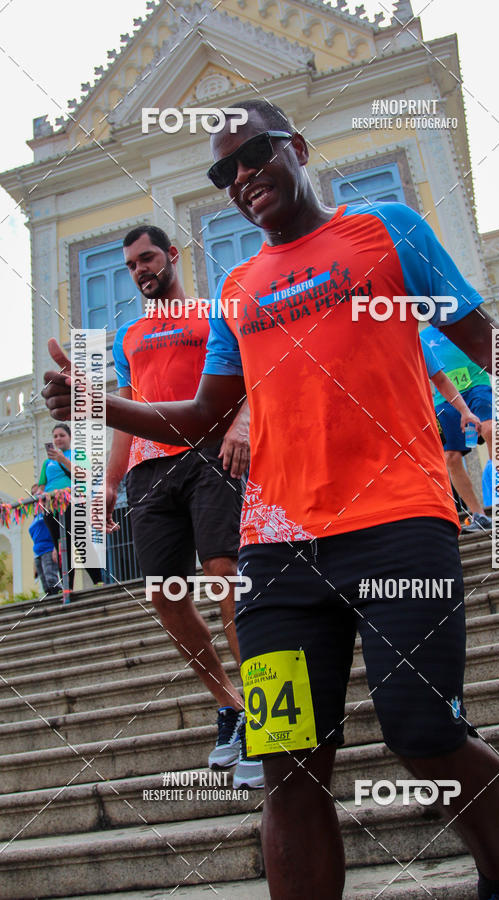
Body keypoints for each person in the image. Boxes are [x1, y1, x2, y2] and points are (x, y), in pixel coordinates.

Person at [43, 100, 499, 900]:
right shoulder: (237, 289)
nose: (241, 177)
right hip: (276, 552)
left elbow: (480, 341)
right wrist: (97, 404)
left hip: (402, 523)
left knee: (423, 731)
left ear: (296, 147)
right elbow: (199, 418)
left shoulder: (388, 230)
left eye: (254, 154)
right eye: (224, 171)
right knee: (289, 765)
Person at [106, 224, 262, 789]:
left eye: (148, 258)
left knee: (224, 573)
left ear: (172, 256)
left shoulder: (213, 311)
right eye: (131, 265)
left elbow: (248, 377)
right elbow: (124, 409)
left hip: (208, 451)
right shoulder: (128, 335)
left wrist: (242, 423)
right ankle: (230, 704)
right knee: (164, 596)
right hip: (150, 471)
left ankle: (264, 717)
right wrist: (107, 484)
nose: (141, 270)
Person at [420, 326, 496, 533]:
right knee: (451, 457)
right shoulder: (421, 336)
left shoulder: (461, 322)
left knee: (490, 430)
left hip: (476, 385)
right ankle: (478, 513)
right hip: (443, 399)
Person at [37, 423, 104, 591]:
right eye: (55, 436)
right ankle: (68, 587)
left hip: (74, 503)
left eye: (62, 435)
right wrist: (41, 495)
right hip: (52, 507)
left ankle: (99, 581)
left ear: (70, 437)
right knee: (61, 546)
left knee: (81, 542)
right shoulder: (47, 463)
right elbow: (41, 486)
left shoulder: (78, 454)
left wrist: (63, 460)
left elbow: (85, 475)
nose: (58, 439)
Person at [29, 484, 60, 595]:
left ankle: (59, 598)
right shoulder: (35, 515)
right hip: (38, 553)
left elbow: (55, 531)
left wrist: (55, 549)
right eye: (32, 493)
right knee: (45, 584)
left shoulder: (48, 510)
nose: (35, 495)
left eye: (37, 492)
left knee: (51, 579)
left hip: (48, 549)